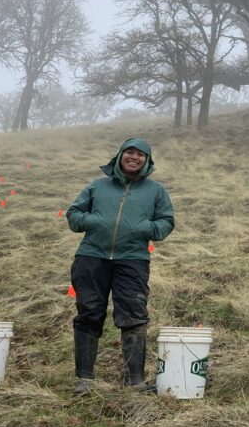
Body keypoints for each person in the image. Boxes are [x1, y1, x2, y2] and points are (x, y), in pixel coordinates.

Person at [66, 138, 175, 396]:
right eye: (129, 152)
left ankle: (134, 381)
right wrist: (94, 221)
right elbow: (73, 214)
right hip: (91, 257)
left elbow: (167, 222)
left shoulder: (156, 191)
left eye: (140, 154)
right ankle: (85, 380)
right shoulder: (98, 186)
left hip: (133, 259)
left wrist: (144, 228)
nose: (134, 157)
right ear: (120, 155)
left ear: (147, 161)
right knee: (89, 314)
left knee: (134, 315)